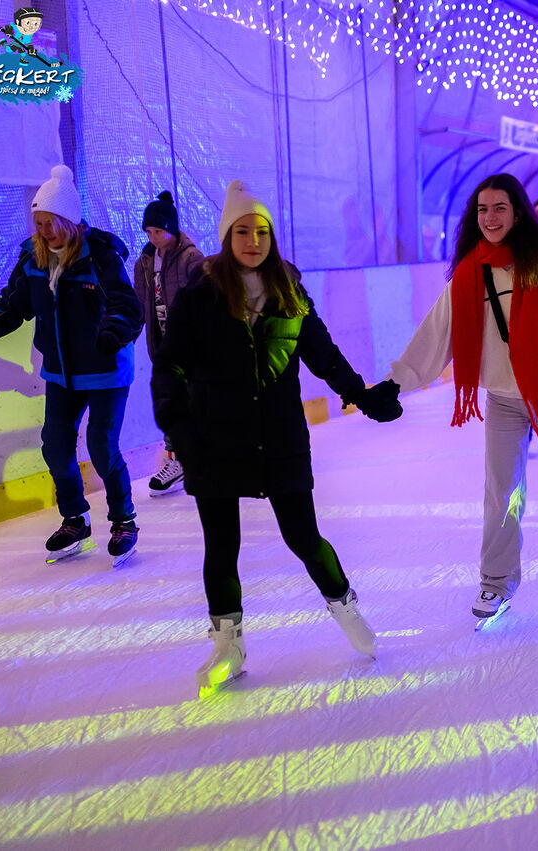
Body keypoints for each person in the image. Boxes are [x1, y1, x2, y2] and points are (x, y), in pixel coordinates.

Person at [151, 180, 385, 693]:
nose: (252, 240)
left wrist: (360, 394)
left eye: (261, 231)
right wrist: (178, 427)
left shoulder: (289, 289)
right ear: (226, 236)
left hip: (279, 436)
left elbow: (322, 353)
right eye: (242, 231)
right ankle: (227, 645)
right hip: (213, 438)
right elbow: (169, 366)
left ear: (271, 236)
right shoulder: (200, 295)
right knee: (222, 546)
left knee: (303, 536)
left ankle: (346, 609)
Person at [361, 173, 538, 622]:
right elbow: (437, 332)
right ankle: (496, 583)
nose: (490, 217)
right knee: (501, 494)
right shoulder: (470, 271)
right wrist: (397, 380)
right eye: (482, 209)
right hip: (502, 398)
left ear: (517, 212)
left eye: (499, 208)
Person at [0, 165, 144, 563]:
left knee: (101, 446)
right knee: (55, 447)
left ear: (69, 219)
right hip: (61, 373)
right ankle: (75, 518)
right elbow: (12, 306)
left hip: (106, 369)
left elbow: (126, 304)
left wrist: (113, 333)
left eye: (51, 222)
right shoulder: (33, 260)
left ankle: (124, 520)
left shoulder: (101, 256)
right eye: (39, 222)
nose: (45, 230)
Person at [134, 190, 205, 496]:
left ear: (172, 229)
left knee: (198, 401)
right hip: (162, 346)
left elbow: (208, 302)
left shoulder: (191, 258)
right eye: (149, 232)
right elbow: (139, 304)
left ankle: (203, 457)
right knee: (170, 402)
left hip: (193, 347)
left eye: (158, 231)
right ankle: (176, 460)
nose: (153, 238)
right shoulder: (145, 262)